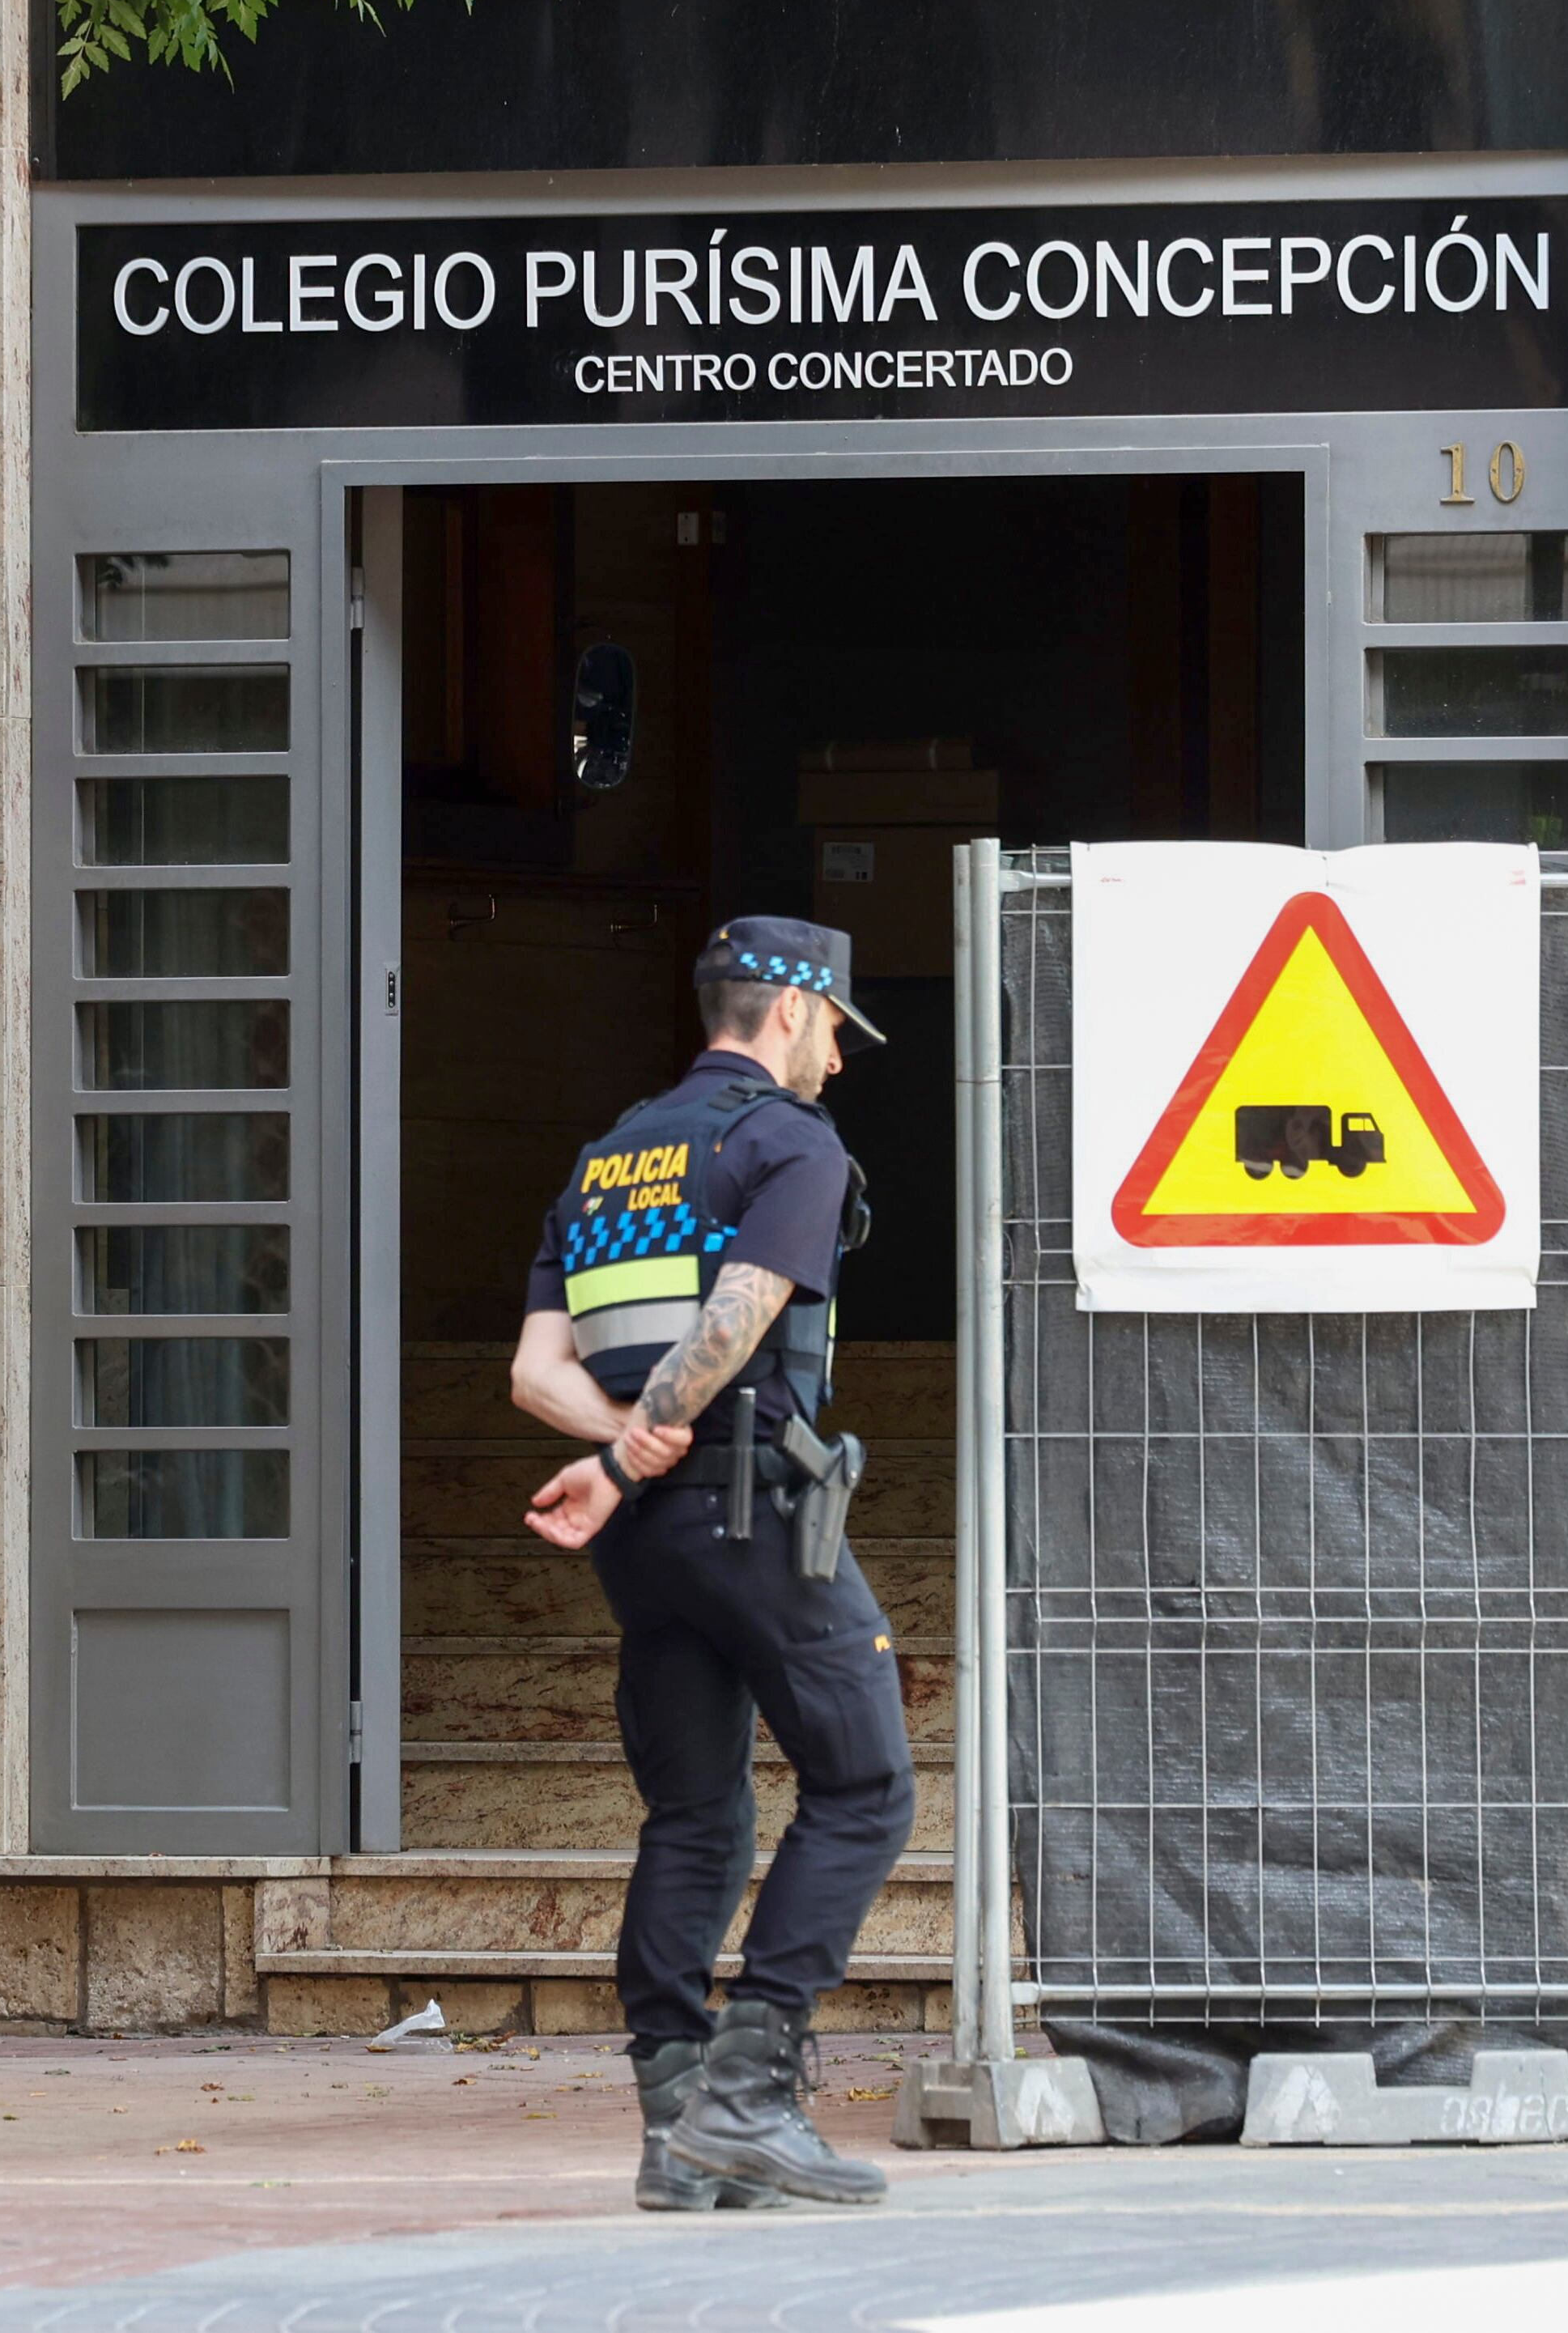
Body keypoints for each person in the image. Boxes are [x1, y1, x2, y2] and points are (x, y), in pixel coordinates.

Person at [510, 916, 916, 2212]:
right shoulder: (787, 1142)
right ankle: (750, 2096)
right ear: (793, 1014)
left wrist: (624, 1461)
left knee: (695, 1815)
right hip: (747, 1510)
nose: (841, 1064)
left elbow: (534, 1373)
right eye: (840, 1033)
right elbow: (735, 1330)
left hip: (643, 1546)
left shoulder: (605, 1158)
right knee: (866, 1785)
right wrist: (645, 1457)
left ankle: (675, 2127)